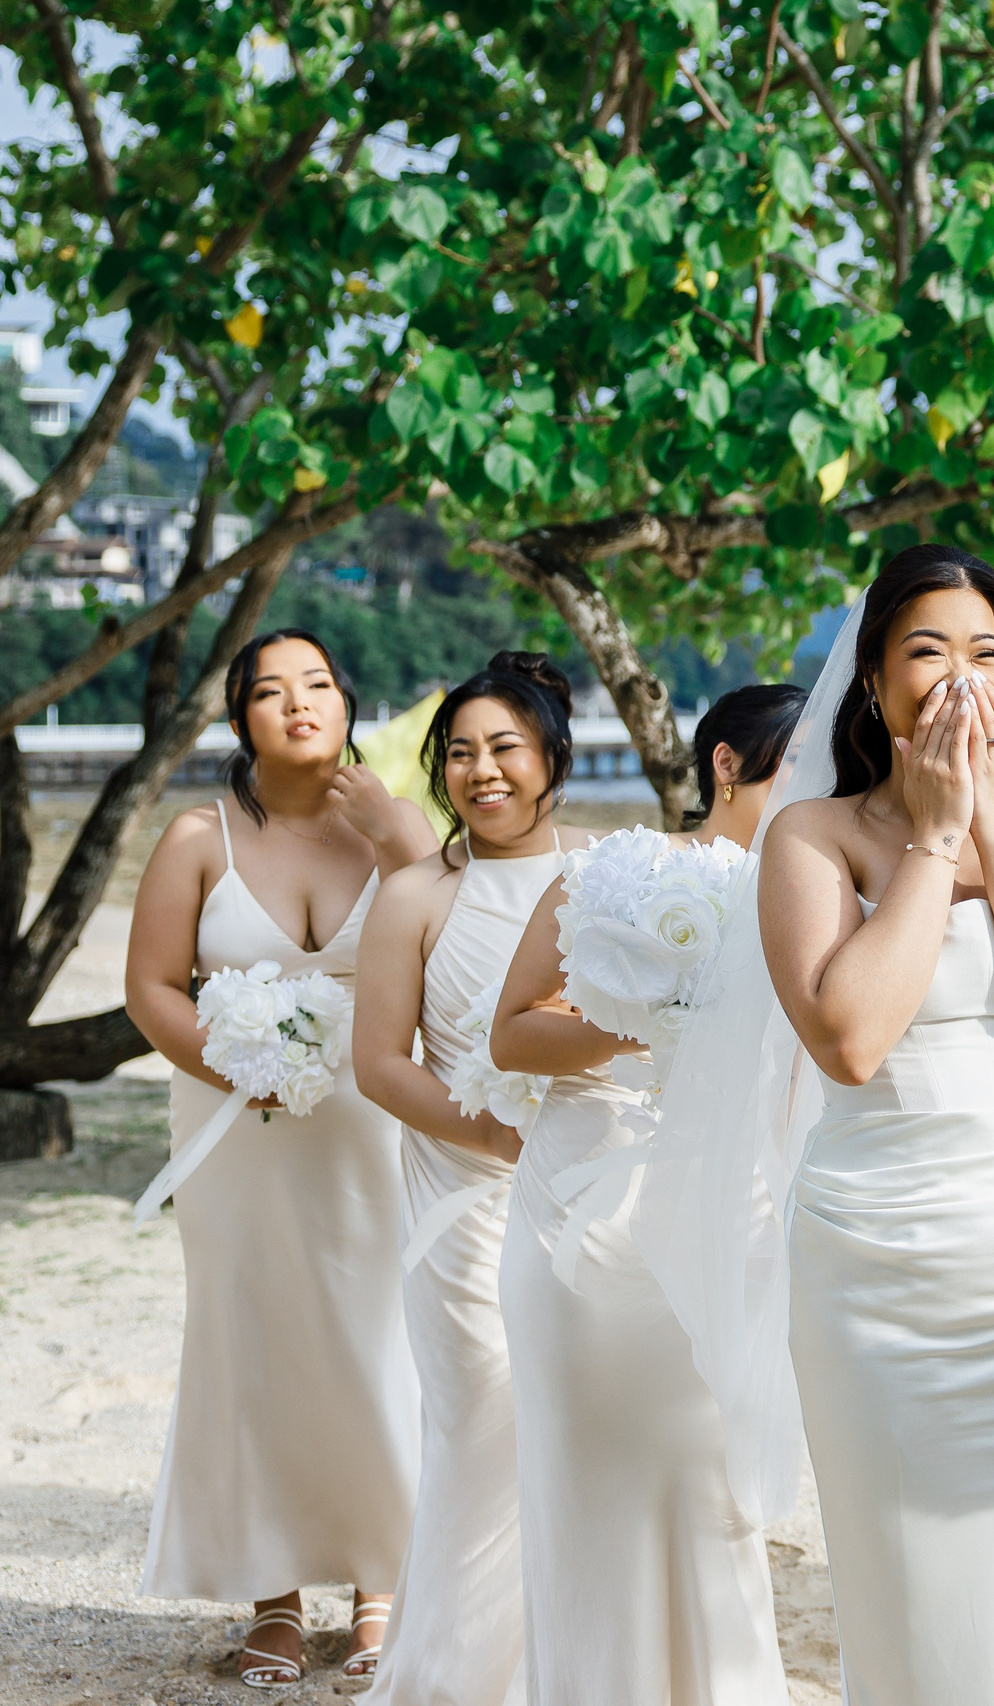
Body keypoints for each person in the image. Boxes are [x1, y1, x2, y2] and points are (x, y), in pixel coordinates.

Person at [759, 544, 994, 1706]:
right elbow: (851, 1037)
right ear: (874, 682)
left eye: (988, 651)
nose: (963, 675)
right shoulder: (812, 835)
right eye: (928, 650)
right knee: (911, 1596)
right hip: (879, 1265)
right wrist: (933, 838)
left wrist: (993, 828)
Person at [124, 629, 437, 1687]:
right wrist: (237, 1066)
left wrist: (402, 837)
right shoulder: (196, 837)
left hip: (375, 1125)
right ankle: (273, 1597)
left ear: (347, 705)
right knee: (252, 1341)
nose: (299, 702)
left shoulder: (397, 827)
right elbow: (152, 988)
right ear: (238, 718)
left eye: (318, 684)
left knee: (380, 1340)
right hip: (236, 1136)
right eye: (271, 690)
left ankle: (383, 1583)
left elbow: (455, 956)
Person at [484, 683, 805, 1706]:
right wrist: (648, 1021)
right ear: (726, 764)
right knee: (588, 1471)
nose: (815, 794)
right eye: (795, 769)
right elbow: (512, 1033)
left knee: (710, 1475)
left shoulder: (814, 896)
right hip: (582, 1208)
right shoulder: (609, 872)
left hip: (727, 1206)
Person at [354, 652, 590, 1706]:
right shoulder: (414, 894)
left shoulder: (609, 873)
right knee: (482, 1421)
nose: (480, 770)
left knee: (580, 1426)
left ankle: (567, 1668)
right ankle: (454, 1677)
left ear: (553, 757)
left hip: (590, 1194)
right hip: (461, 1197)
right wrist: (486, 1130)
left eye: (504, 747)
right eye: (458, 752)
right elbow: (380, 1062)